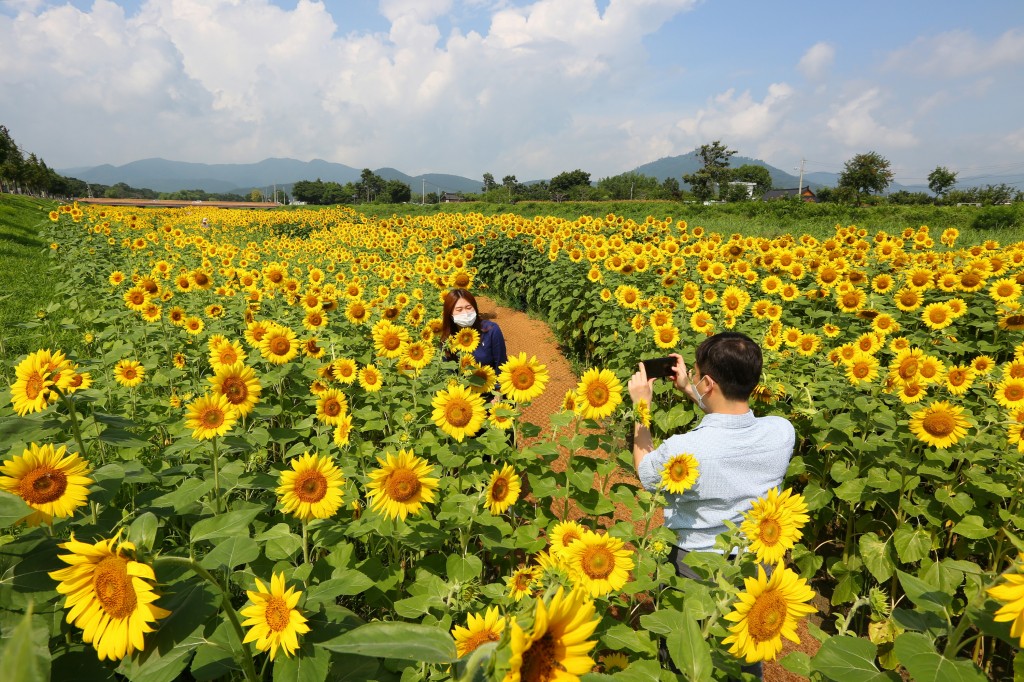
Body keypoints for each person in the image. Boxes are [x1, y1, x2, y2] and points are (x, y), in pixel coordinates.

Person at [626, 332, 794, 679]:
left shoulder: (686, 449)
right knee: (743, 651)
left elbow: (646, 470)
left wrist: (641, 405)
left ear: (709, 382)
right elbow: (732, 419)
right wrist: (691, 388)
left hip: (694, 563)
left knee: (686, 654)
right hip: (754, 563)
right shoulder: (781, 432)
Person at [440, 288, 508, 378]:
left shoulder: (491, 330)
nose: (465, 313)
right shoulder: (448, 340)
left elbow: (501, 365)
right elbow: (447, 373)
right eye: (459, 310)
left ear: (475, 308)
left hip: (489, 386)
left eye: (468, 308)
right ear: (450, 314)